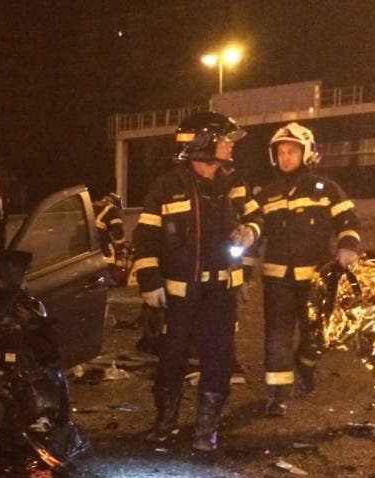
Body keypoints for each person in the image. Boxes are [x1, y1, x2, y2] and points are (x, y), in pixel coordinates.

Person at [131, 111, 261, 451]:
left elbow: (257, 217)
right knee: (171, 358)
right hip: (178, 296)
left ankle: (206, 428)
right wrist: (149, 282)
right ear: (202, 143)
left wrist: (251, 230)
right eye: (224, 140)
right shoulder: (167, 187)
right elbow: (145, 238)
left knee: (218, 358)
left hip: (220, 292)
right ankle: (165, 423)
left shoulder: (234, 183)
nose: (230, 147)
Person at [251, 122, 361, 416]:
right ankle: (278, 396)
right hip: (278, 280)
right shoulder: (266, 195)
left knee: (318, 336)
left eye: (292, 151)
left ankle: (306, 363)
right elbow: (252, 233)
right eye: (281, 152)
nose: (285, 157)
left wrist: (348, 247)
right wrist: (243, 273)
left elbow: (348, 222)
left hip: (317, 278)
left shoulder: (326, 189)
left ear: (307, 153)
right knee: (277, 338)